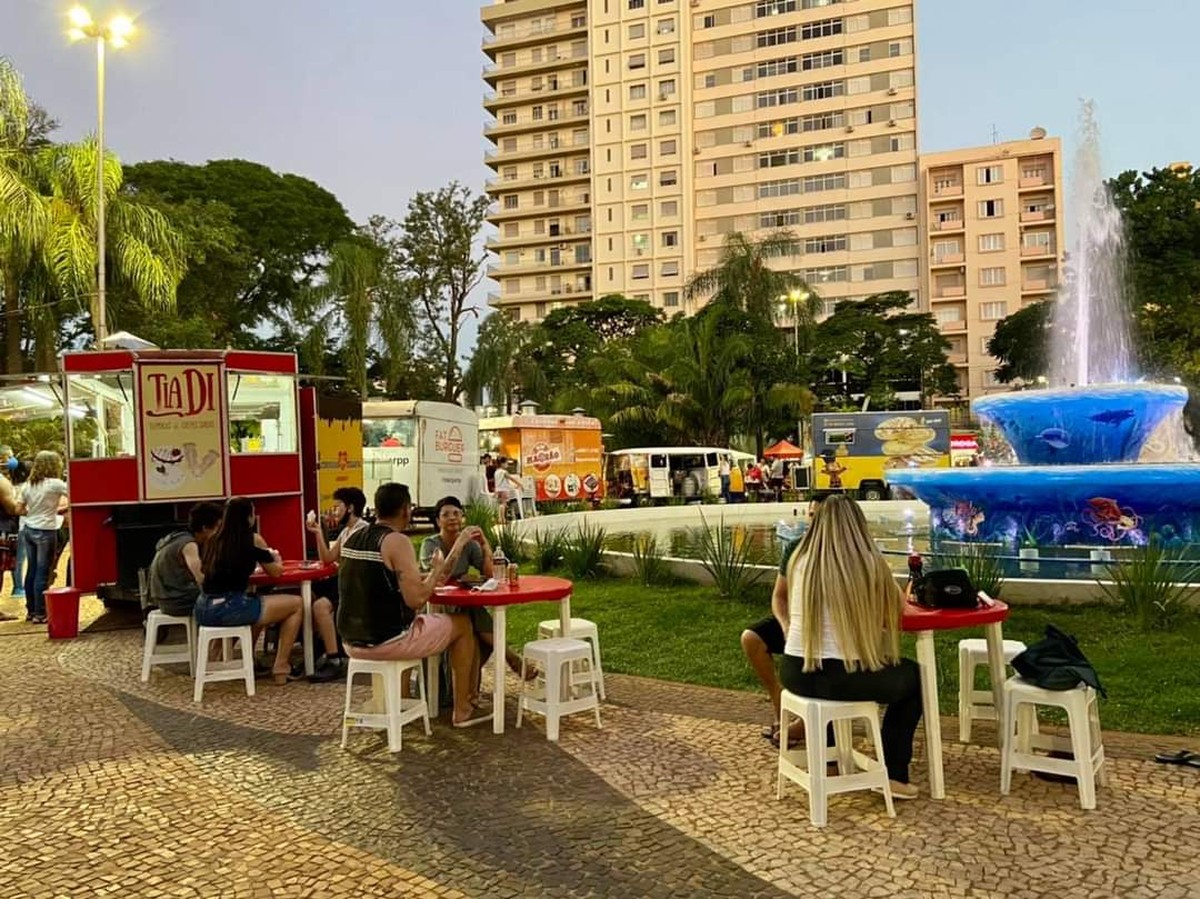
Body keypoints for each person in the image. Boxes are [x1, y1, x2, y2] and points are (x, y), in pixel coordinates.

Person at [772, 494, 922, 799]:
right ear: (858, 526)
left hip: (795, 670)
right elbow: (897, 614)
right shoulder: (869, 562)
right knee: (915, 678)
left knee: (841, 674)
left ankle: (828, 759)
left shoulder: (799, 558)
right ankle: (893, 773)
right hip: (841, 676)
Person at [336, 483, 485, 727]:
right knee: (463, 625)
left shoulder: (353, 537)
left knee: (434, 623)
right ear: (406, 510)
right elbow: (416, 600)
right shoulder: (396, 541)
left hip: (350, 640)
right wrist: (437, 571)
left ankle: (404, 700)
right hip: (387, 640)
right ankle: (462, 708)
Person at [419, 496, 532, 687]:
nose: (452, 518)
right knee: (474, 612)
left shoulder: (469, 545)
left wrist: (486, 545)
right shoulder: (430, 544)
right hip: (436, 606)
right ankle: (511, 658)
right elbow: (440, 578)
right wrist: (458, 544)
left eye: (456, 513)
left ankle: (468, 688)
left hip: (461, 603)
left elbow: (490, 574)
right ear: (438, 521)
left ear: (463, 517)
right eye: (446, 514)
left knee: (473, 612)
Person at [741, 495, 826, 747]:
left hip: (824, 627)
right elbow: (779, 597)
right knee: (752, 638)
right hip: (797, 622)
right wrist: (786, 624)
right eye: (811, 515)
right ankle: (781, 705)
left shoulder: (840, 552)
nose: (814, 521)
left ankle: (804, 724)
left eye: (820, 516)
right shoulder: (796, 548)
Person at [197, 497, 304, 685]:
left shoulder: (212, 540)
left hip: (203, 608)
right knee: (296, 604)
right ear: (249, 517)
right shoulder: (251, 540)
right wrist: (275, 558)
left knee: (257, 604)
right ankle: (281, 666)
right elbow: (276, 572)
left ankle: (236, 660)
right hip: (231, 607)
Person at [304, 486, 370, 682]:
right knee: (308, 597)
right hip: (344, 582)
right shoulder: (346, 532)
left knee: (320, 605)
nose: (334, 511)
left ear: (349, 508)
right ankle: (318, 649)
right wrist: (317, 532)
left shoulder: (362, 530)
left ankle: (334, 659)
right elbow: (328, 558)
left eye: (337, 506)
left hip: (356, 586)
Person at [14, 451, 69, 624]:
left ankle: (30, 611)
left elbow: (18, 510)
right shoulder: (56, 484)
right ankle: (41, 613)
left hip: (29, 529)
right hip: (46, 530)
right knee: (42, 573)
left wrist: (34, 512)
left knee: (31, 571)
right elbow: (77, 495)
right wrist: (57, 511)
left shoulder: (28, 485)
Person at [147, 502, 224, 617]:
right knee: (228, 603)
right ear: (204, 528)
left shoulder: (177, 537)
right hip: (179, 602)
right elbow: (201, 577)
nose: (220, 531)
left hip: (165, 600)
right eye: (218, 527)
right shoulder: (189, 545)